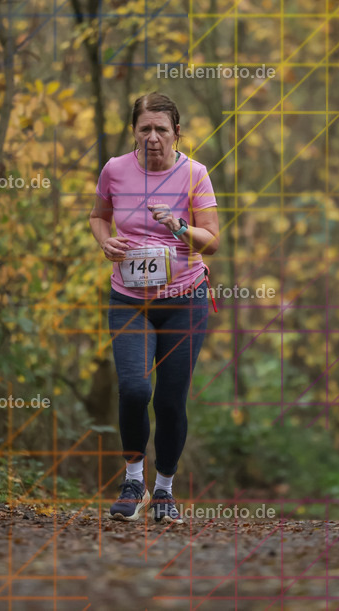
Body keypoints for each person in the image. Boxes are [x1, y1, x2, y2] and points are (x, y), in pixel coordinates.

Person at [89, 92, 220, 524]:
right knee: (134, 389)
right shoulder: (115, 170)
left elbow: (212, 241)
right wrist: (104, 241)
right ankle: (133, 481)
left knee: (168, 400)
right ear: (134, 132)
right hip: (129, 300)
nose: (152, 137)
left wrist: (178, 226)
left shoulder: (195, 174)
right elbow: (98, 216)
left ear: (176, 132)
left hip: (185, 301)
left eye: (161, 129)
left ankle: (164, 490)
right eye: (144, 128)